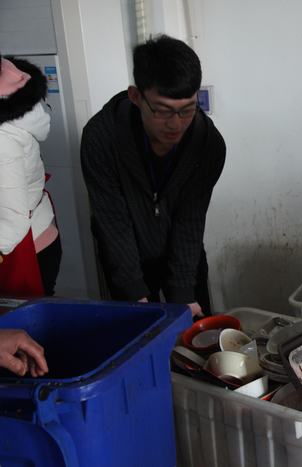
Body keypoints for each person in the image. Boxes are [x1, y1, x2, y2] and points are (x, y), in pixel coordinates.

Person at [81, 35, 225, 317]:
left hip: (184, 253)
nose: (176, 124)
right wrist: (134, 292)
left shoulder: (208, 143)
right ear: (135, 96)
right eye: (162, 110)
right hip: (123, 253)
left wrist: (183, 292)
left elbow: (190, 219)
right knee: (137, 332)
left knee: (195, 329)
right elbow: (113, 222)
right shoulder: (101, 138)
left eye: (187, 110)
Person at [0, 54, 62, 297]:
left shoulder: (2, 137)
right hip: (27, 236)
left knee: (22, 318)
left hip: (23, 248)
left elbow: (12, 222)